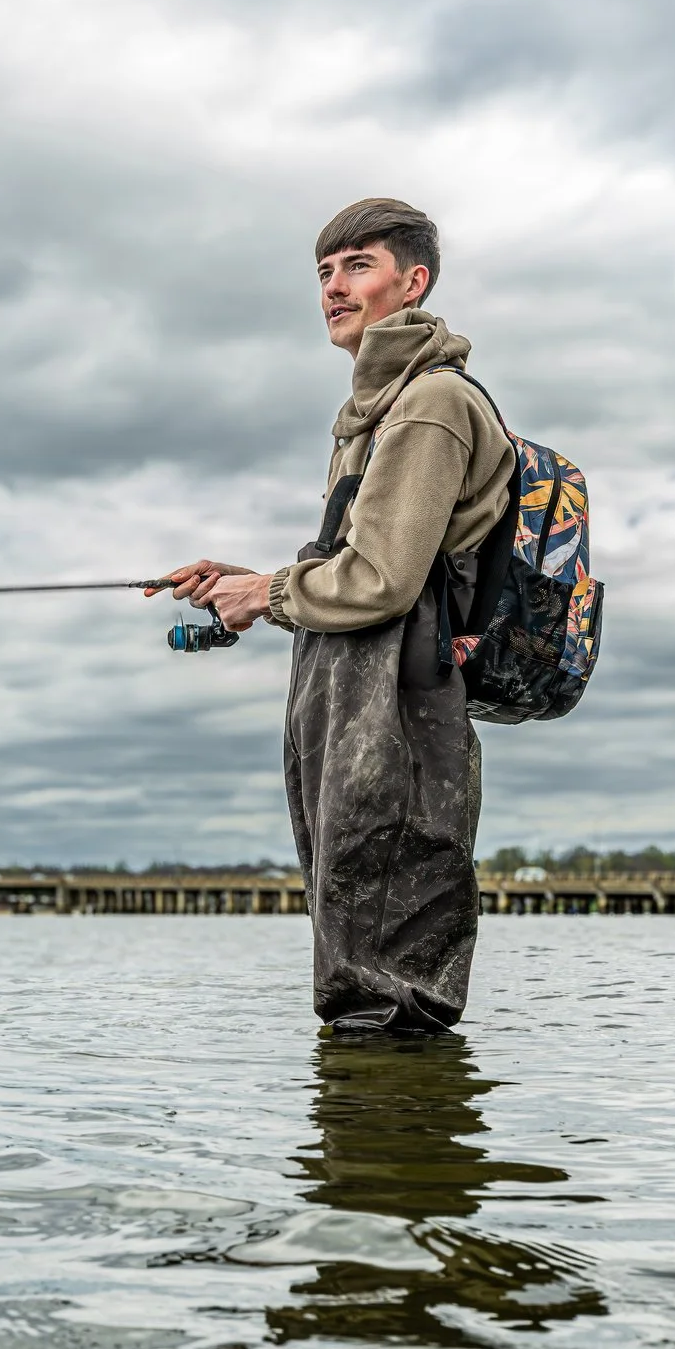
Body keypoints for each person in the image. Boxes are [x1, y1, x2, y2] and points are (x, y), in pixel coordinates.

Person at [160, 199, 515, 1033]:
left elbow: (384, 582)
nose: (334, 287)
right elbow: (358, 570)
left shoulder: (430, 405)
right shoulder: (371, 414)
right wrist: (251, 583)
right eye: (324, 272)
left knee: (388, 980)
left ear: (413, 281)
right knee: (353, 956)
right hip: (345, 697)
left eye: (358, 266)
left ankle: (394, 1148)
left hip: (396, 702)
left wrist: (270, 594)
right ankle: (368, 1146)